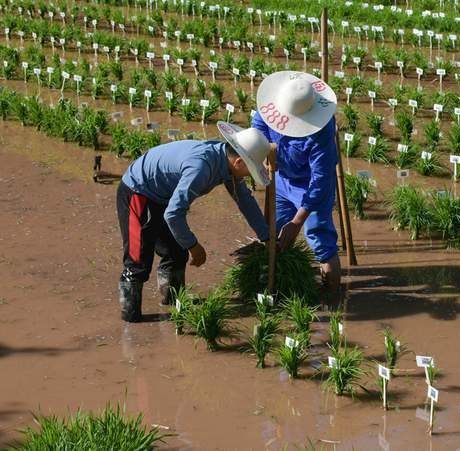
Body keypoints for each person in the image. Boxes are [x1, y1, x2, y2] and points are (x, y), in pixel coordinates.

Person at [116, 122, 271, 322]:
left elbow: (245, 201)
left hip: (164, 196)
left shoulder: (226, 162)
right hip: (138, 191)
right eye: (250, 169)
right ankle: (131, 320)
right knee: (138, 259)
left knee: (175, 251)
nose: (250, 174)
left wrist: (266, 236)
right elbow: (173, 214)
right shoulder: (202, 167)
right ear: (239, 162)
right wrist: (194, 245)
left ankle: (173, 302)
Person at [252, 71, 341, 298]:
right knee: (273, 233)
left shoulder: (321, 130)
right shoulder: (272, 105)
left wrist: (297, 222)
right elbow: (258, 124)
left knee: (319, 238)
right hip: (281, 178)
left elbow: (320, 181)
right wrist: (263, 150)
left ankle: (332, 298)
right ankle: (279, 283)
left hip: (310, 185)